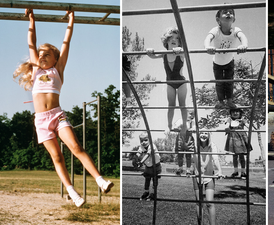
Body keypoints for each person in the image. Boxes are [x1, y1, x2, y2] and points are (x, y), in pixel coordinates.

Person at [13, 9, 113, 207]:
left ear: (55, 59)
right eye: (40, 55)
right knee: (56, 156)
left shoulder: (57, 70)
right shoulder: (35, 71)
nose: (41, 57)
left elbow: (66, 43)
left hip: (57, 115)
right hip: (41, 120)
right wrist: (31, 19)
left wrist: (72, 19)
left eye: (46, 55)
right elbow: (31, 42)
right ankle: (72, 192)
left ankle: (100, 180)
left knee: (75, 147)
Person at [146, 27, 188, 136]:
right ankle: (169, 125)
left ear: (180, 42)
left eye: (177, 38)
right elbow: (152, 56)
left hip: (181, 82)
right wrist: (149, 51)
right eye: (171, 37)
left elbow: (185, 53)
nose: (174, 39)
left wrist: (179, 51)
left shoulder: (181, 52)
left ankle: (184, 125)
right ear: (167, 40)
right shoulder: (163, 53)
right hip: (170, 83)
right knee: (171, 105)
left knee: (182, 104)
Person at [204, 6, 248, 109]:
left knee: (229, 81)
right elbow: (208, 38)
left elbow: (243, 37)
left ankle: (229, 100)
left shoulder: (236, 30)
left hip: (229, 61)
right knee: (219, 82)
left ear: (234, 19)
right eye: (225, 12)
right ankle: (220, 101)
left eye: (231, 12)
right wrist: (207, 47)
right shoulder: (216, 30)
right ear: (218, 19)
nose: (228, 14)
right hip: (217, 63)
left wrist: (243, 45)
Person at [191, 131, 224, 225]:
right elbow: (189, 157)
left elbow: (215, 158)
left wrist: (219, 171)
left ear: (209, 135)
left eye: (206, 133)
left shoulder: (212, 145)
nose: (203, 135)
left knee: (210, 203)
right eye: (201, 133)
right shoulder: (194, 145)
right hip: (197, 175)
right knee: (199, 202)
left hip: (209, 175)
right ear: (198, 135)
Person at [224, 108, 252, 179]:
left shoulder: (242, 120)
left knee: (242, 156)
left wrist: (246, 124)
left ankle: (243, 172)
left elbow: (249, 126)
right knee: (234, 156)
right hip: (233, 138)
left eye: (237, 111)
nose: (235, 113)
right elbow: (226, 126)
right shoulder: (229, 120)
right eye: (233, 112)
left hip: (241, 138)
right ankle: (235, 171)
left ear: (240, 113)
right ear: (231, 113)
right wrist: (227, 128)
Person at [136, 132, 162, 201]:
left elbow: (147, 155)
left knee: (154, 179)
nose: (143, 142)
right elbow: (138, 153)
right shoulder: (141, 147)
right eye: (141, 141)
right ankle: (146, 192)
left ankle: (153, 194)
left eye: (145, 140)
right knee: (147, 179)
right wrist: (136, 158)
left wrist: (141, 162)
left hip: (156, 165)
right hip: (148, 165)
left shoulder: (152, 146)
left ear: (150, 140)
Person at [173, 110, 195, 176]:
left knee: (188, 155)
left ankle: (188, 169)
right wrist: (179, 127)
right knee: (180, 155)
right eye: (190, 114)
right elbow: (175, 127)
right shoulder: (181, 120)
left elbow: (194, 128)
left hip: (189, 139)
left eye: (193, 114)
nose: (191, 116)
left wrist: (192, 129)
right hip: (181, 139)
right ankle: (180, 168)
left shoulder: (193, 122)